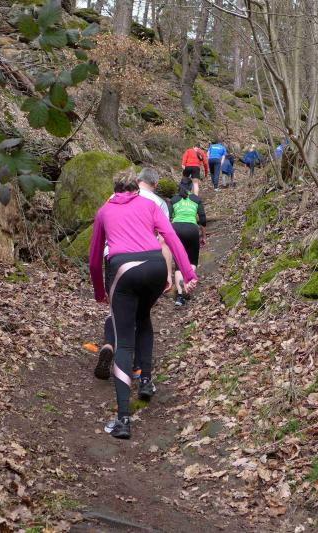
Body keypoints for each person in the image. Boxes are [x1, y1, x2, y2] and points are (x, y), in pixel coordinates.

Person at [89, 170, 197, 439]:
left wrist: (100, 291)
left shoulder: (104, 211)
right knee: (144, 317)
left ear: (115, 190)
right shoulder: (150, 205)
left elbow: (94, 259)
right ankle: (146, 380)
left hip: (124, 269)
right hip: (155, 267)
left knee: (125, 342)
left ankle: (123, 420)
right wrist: (188, 273)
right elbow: (171, 237)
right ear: (136, 189)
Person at [94, 168, 173, 382]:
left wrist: (98, 287)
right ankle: (139, 366)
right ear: (155, 184)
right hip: (147, 260)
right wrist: (168, 273)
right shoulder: (158, 203)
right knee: (141, 314)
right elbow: (164, 240)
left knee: (117, 310)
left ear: (138, 180)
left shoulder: (112, 198)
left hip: (114, 259)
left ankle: (109, 345)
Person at [170, 177, 206, 306]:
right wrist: (203, 236)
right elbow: (202, 219)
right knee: (192, 261)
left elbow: (167, 217)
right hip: (192, 230)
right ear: (191, 187)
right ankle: (188, 286)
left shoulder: (174, 199)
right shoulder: (196, 199)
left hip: (176, 230)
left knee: (178, 264)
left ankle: (180, 297)